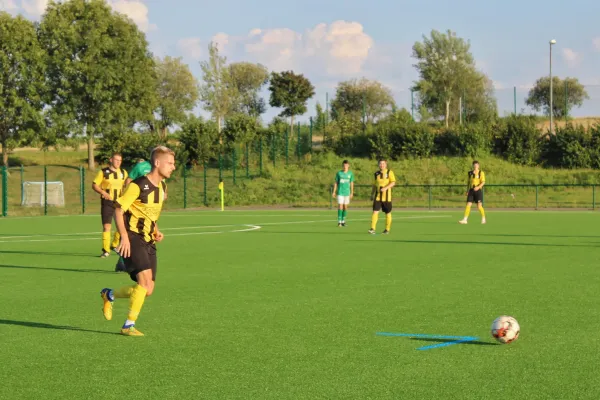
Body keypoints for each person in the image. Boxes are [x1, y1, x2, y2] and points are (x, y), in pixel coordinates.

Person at [100, 146, 176, 336]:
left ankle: (109, 294)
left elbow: (150, 214)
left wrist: (156, 230)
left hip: (149, 240)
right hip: (133, 237)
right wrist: (124, 237)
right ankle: (128, 325)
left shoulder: (162, 188)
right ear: (157, 163)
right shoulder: (138, 185)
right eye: (170, 163)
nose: (173, 167)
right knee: (143, 284)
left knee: (148, 289)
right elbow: (119, 209)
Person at [92, 153, 128, 258]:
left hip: (119, 203)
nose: (118, 162)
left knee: (122, 224)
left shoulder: (123, 173)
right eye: (116, 160)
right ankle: (106, 250)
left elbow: (128, 183)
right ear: (111, 160)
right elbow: (94, 185)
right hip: (107, 202)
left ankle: (115, 245)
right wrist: (103, 193)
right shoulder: (103, 172)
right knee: (107, 226)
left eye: (120, 160)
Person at [369, 159, 396, 234]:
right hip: (378, 196)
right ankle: (372, 228)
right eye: (380, 164)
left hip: (387, 197)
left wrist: (386, 188)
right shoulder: (376, 173)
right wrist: (372, 194)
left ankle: (387, 229)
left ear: (386, 164)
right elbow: (374, 185)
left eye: (383, 164)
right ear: (378, 164)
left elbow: (393, 182)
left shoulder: (389, 172)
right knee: (375, 211)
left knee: (387, 212)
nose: (382, 165)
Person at [459, 160, 486, 224]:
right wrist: (467, 190)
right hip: (471, 190)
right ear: (473, 165)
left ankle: (483, 218)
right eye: (474, 164)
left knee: (479, 206)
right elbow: (468, 182)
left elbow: (483, 182)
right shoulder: (470, 173)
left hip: (478, 190)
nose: (475, 166)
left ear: (478, 165)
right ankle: (465, 219)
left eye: (476, 164)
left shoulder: (481, 173)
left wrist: (478, 187)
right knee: (468, 204)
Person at [332, 160, 354, 227]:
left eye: (346, 165)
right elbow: (336, 183)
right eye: (344, 165)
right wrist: (334, 191)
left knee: (345, 207)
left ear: (348, 166)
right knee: (340, 206)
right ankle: (339, 222)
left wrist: (352, 192)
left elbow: (351, 183)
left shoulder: (350, 173)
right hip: (340, 192)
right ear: (342, 166)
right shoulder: (339, 173)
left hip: (347, 193)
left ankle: (343, 221)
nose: (345, 167)